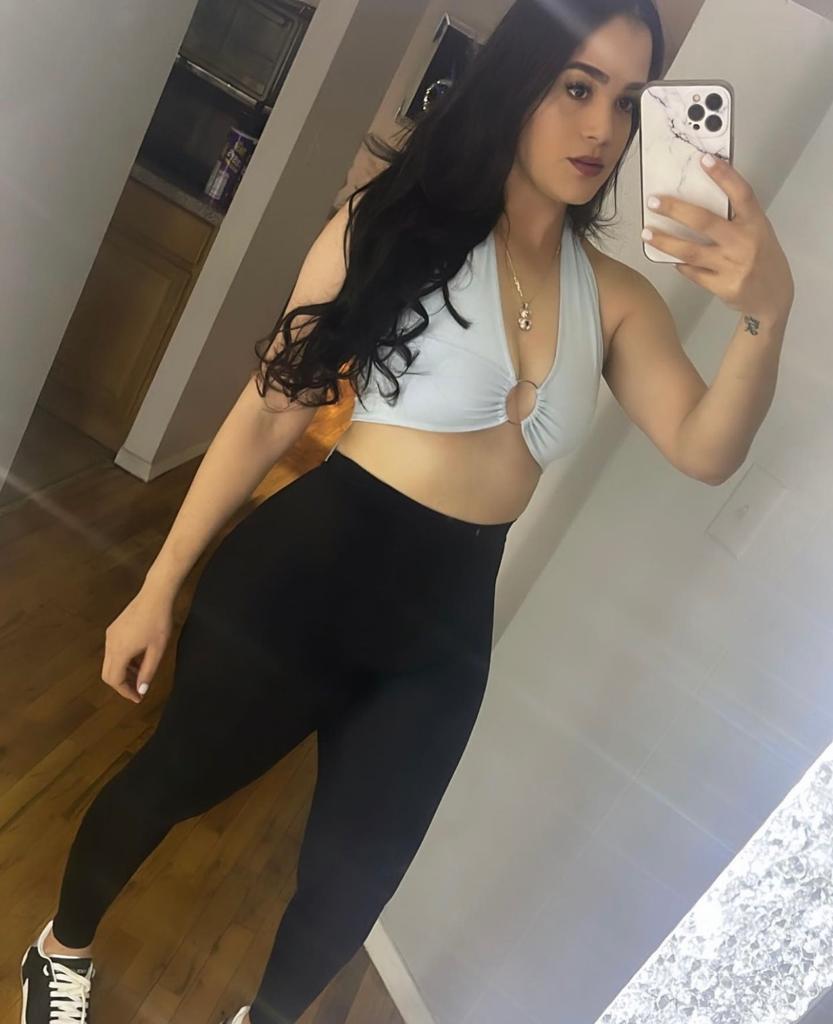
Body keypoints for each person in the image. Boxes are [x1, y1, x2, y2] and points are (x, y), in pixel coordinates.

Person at [19, 0, 793, 1020]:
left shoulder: (615, 299)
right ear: (517, 82)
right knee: (171, 782)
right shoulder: (389, 225)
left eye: (626, 101)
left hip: (442, 637)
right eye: (576, 87)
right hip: (302, 582)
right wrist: (157, 585)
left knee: (353, 885)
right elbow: (267, 413)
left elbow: (703, 449)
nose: (601, 128)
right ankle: (60, 949)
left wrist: (764, 312)